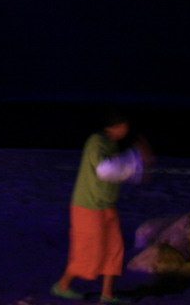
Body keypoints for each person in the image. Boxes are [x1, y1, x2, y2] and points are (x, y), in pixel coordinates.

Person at [50, 108, 154, 302]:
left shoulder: (111, 144)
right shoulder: (97, 141)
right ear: (116, 126)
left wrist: (139, 164)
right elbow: (105, 170)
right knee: (89, 252)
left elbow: (118, 171)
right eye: (124, 125)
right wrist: (136, 158)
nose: (126, 129)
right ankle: (62, 286)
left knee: (114, 249)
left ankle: (107, 295)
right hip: (88, 206)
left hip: (106, 206)